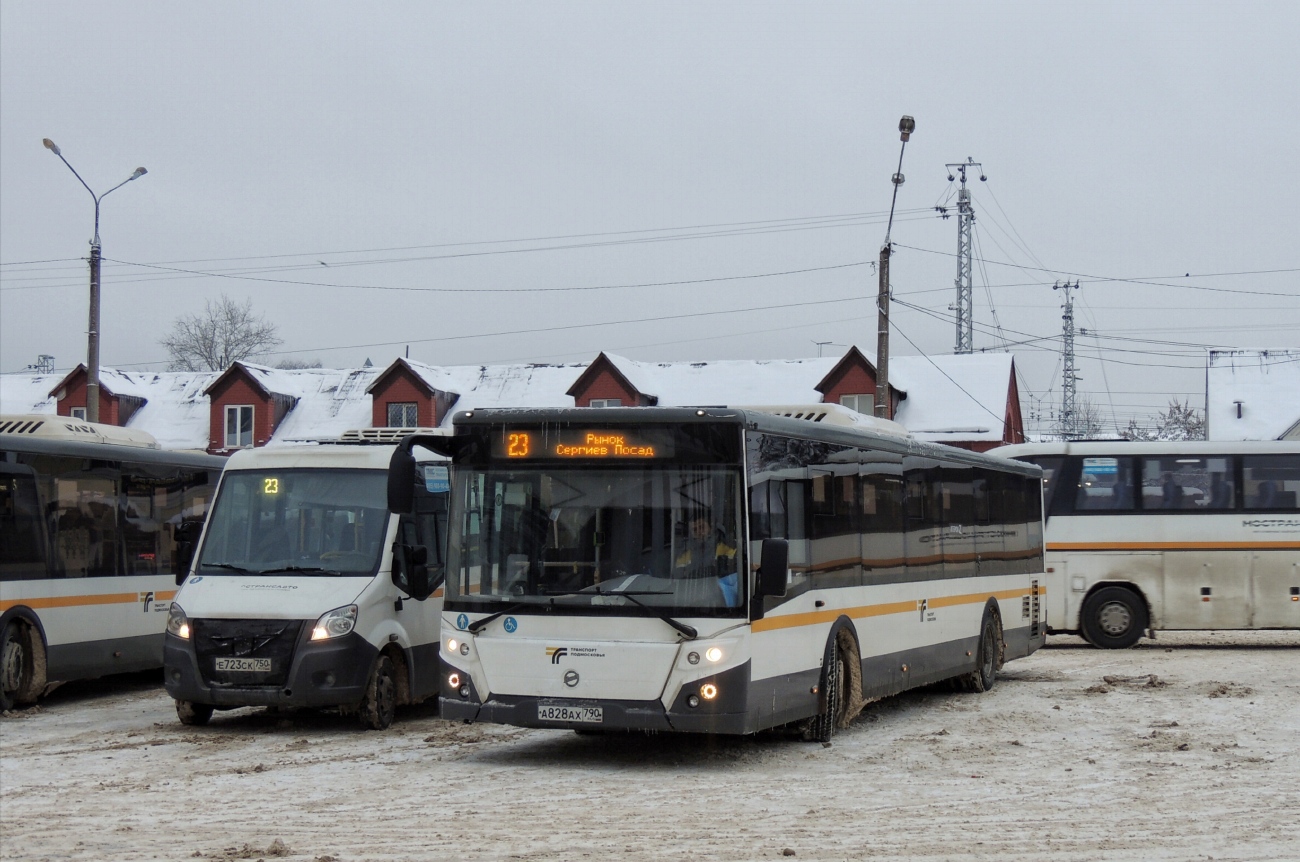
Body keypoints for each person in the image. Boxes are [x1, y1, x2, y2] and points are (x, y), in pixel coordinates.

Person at [674, 514, 740, 606]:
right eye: (695, 529)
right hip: (690, 601)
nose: (699, 532)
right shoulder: (684, 554)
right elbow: (679, 579)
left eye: (702, 527)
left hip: (721, 603)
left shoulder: (728, 548)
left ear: (711, 527)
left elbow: (735, 574)